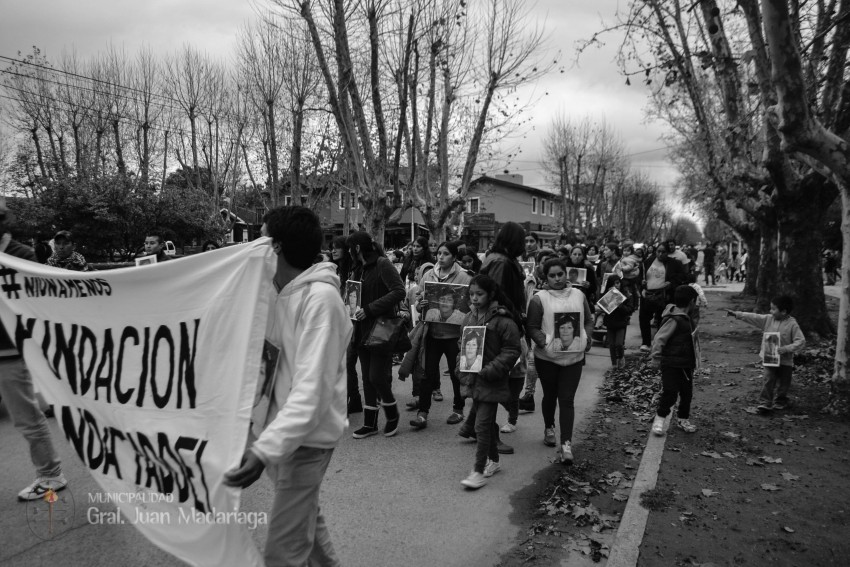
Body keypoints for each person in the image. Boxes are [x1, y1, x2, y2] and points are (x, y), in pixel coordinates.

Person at [223, 206, 349, 566]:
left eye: (260, 237)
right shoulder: (269, 291)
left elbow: (312, 392)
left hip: (306, 441)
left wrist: (264, 452)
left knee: (282, 551)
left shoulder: (321, 301)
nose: (253, 245)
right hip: (277, 435)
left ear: (275, 246)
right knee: (306, 524)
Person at [0, 205, 69, 501]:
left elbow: (41, 304)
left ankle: (51, 474)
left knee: (26, 417)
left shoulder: (21, 256)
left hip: (10, 352)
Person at [462, 222, 527, 452]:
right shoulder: (500, 262)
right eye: (522, 239)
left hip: (495, 323)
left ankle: (471, 425)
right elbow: (495, 293)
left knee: (492, 380)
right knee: (496, 381)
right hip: (497, 327)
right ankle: (489, 435)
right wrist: (511, 317)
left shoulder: (498, 258)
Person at [456, 274, 522, 489]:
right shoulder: (469, 317)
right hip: (473, 379)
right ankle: (493, 460)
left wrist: (492, 369)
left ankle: (477, 471)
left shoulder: (504, 321)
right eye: (471, 294)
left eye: (479, 294)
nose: (474, 298)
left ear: (491, 294)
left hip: (492, 380)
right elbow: (462, 344)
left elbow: (512, 350)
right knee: (484, 424)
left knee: (481, 425)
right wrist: (461, 364)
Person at [526, 258, 594, 463]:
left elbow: (589, 320)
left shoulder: (579, 295)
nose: (557, 279)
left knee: (567, 400)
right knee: (550, 396)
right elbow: (532, 326)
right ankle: (549, 427)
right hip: (547, 359)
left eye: (560, 274)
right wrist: (545, 342)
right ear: (545, 278)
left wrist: (587, 338)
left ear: (566, 273)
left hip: (573, 358)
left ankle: (566, 445)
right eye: (552, 275)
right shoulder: (539, 299)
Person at [347, 231, 406, 438]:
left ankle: (392, 414)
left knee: (376, 376)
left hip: (381, 327)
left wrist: (370, 308)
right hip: (361, 329)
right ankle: (370, 424)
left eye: (349, 248)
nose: (348, 252)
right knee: (367, 378)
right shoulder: (358, 269)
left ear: (356, 248)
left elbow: (399, 291)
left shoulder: (383, 264)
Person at [414, 241, 472, 427]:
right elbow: (419, 300)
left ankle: (458, 410)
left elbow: (472, 304)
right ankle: (422, 413)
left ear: (454, 257)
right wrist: (420, 304)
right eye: (439, 253)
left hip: (454, 336)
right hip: (432, 333)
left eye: (446, 253)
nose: (441, 257)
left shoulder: (464, 278)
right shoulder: (429, 275)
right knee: (427, 374)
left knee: (456, 374)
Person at [727, 295, 806, 411]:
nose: (770, 311)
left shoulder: (792, 324)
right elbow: (754, 317)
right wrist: (737, 314)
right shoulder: (768, 319)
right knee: (768, 379)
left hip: (786, 360)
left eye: (773, 309)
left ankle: (781, 400)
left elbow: (801, 341)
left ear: (783, 311)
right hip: (770, 358)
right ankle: (765, 402)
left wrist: (787, 348)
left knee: (784, 383)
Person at [649, 286, 698, 435]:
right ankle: (660, 418)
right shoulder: (675, 319)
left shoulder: (687, 318)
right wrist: (656, 358)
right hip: (670, 363)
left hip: (685, 364)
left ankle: (683, 418)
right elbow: (659, 339)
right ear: (691, 301)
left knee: (686, 393)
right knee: (670, 392)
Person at [639, 243, 687, 352]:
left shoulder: (674, 263)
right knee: (644, 318)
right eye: (658, 252)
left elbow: (683, 276)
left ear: (668, 252)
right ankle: (645, 343)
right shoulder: (648, 261)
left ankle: (658, 343)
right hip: (647, 294)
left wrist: (671, 283)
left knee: (662, 319)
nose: (660, 254)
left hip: (664, 296)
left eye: (663, 252)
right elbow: (640, 276)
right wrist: (641, 284)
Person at [602, 274, 634, 369]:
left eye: (618, 283)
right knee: (611, 344)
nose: (617, 285)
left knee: (619, 344)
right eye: (614, 284)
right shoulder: (607, 294)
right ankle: (614, 363)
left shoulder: (627, 294)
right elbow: (602, 307)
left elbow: (630, 309)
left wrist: (620, 304)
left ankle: (620, 357)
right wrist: (608, 296)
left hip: (621, 323)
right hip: (610, 322)